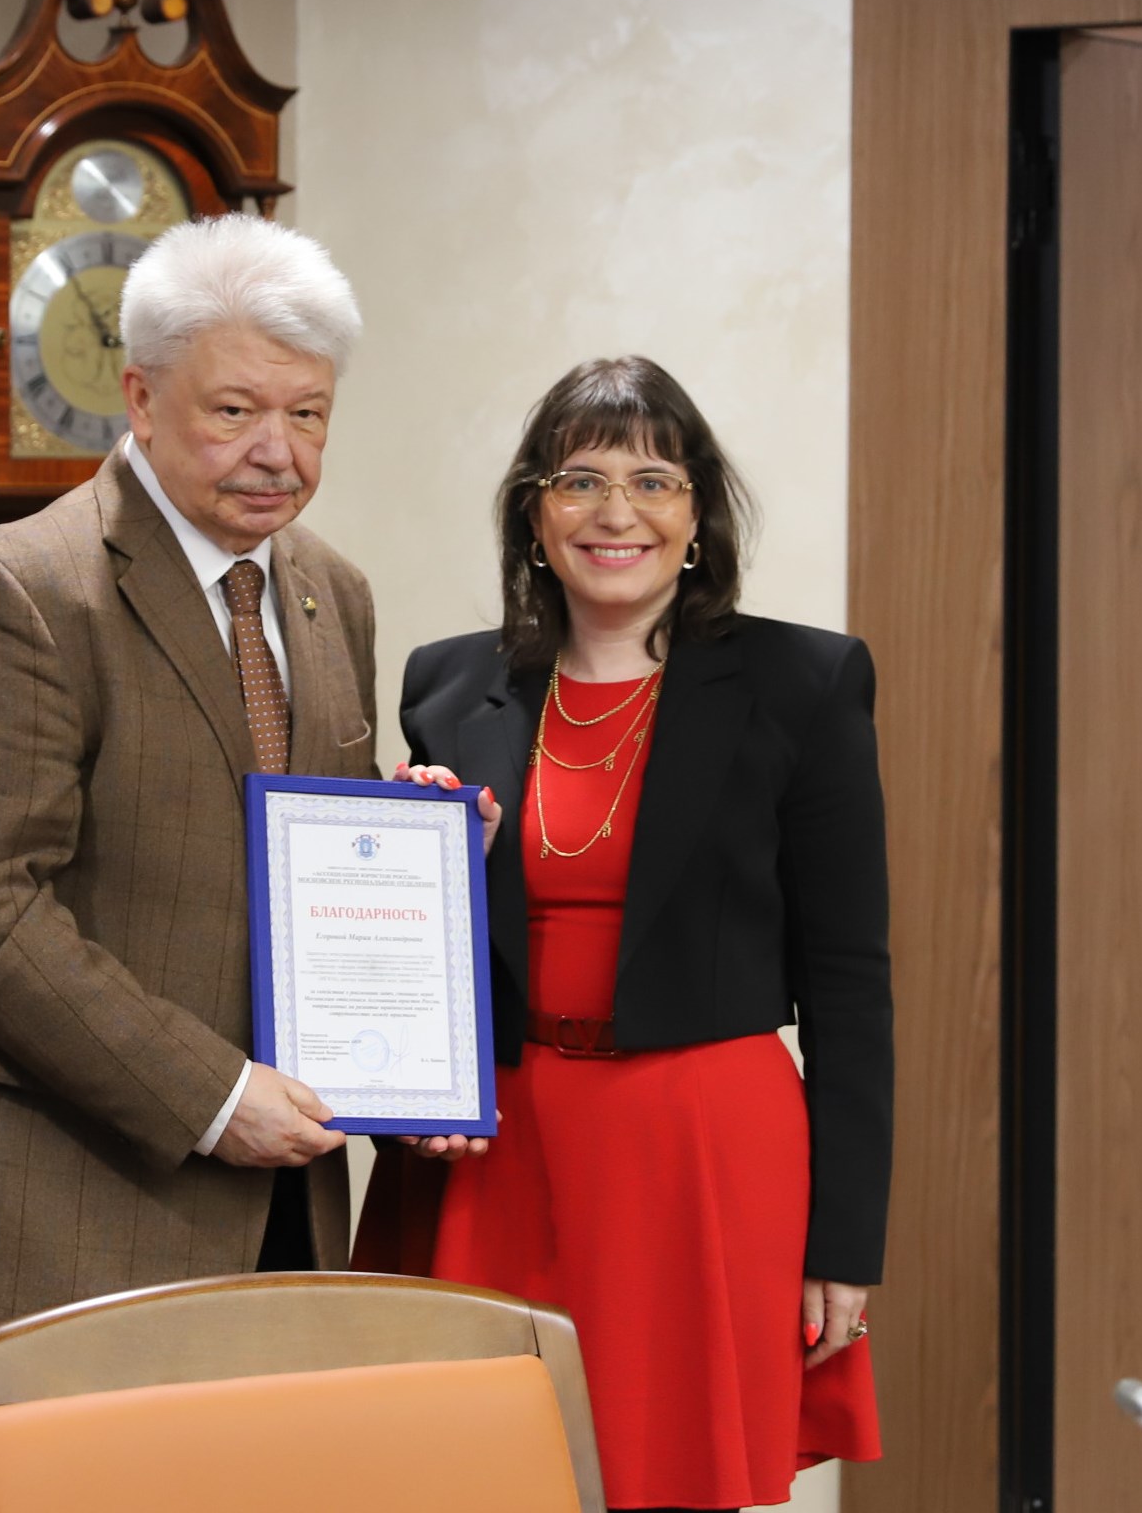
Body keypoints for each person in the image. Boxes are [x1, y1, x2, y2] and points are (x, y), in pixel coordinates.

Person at [365, 356, 892, 1513]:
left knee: (671, 1477)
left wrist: (846, 1241)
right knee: (479, 1475)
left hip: (699, 1149)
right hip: (500, 1151)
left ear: (698, 518)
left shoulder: (802, 682)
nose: (617, 513)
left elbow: (852, 983)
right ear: (533, 514)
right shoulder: (446, 687)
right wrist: (427, 856)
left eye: (654, 482)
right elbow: (426, 955)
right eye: (582, 481)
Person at [0, 214, 391, 1340]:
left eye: (308, 414)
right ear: (143, 399)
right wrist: (211, 1096)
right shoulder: (23, 588)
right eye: (236, 411)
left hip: (287, 1222)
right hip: (65, 1224)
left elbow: (295, 861)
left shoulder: (332, 592)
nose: (279, 452)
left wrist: (421, 846)